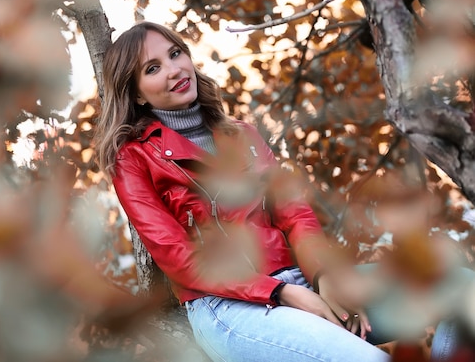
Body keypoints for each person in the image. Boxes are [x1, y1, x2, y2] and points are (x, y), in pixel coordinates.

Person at [93, 20, 473, 362]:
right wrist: (278, 293)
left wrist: (325, 276)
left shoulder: (241, 134)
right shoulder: (133, 158)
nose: (174, 69)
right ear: (138, 93)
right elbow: (176, 256)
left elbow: (295, 214)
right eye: (153, 68)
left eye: (176, 53)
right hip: (230, 306)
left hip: (301, 278)